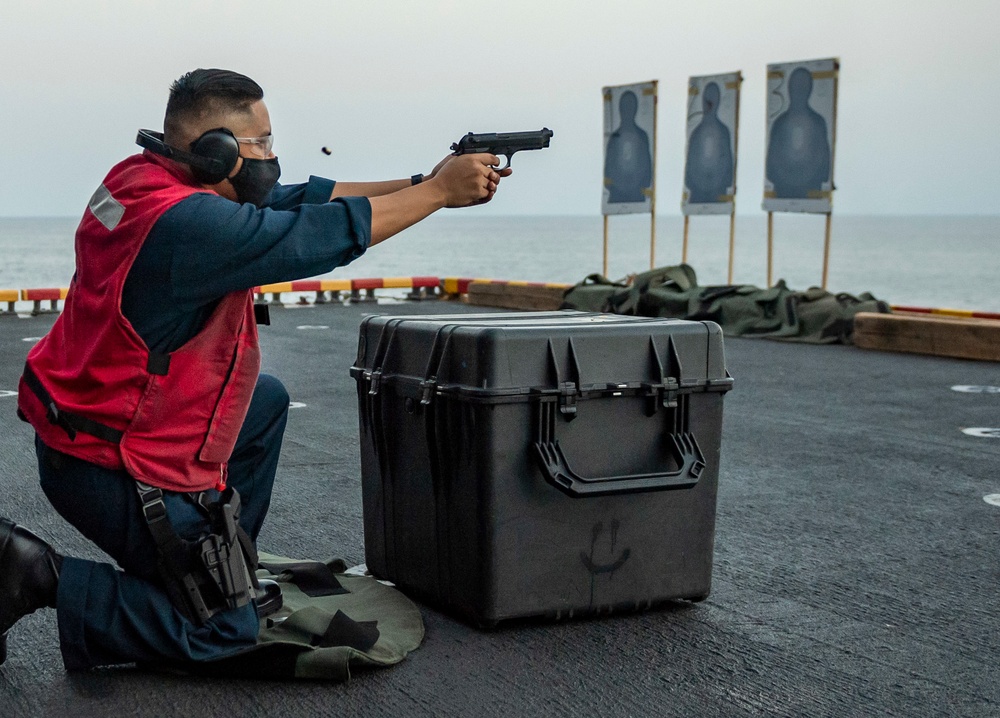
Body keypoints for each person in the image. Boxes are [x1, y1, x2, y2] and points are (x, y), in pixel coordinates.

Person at [1, 68, 510, 670]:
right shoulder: (187, 226)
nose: (272, 156)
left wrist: (425, 181)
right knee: (223, 631)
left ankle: (217, 562)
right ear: (215, 150)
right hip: (112, 465)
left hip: (88, 427)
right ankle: (35, 573)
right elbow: (309, 235)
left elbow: (299, 198)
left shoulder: (141, 178)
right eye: (261, 144)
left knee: (261, 400)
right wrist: (438, 195)